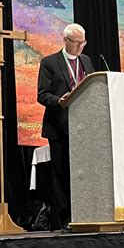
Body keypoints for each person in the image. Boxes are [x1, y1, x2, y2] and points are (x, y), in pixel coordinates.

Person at [37, 23, 95, 231]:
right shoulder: (49, 62)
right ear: (65, 40)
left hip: (84, 128)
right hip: (59, 127)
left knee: (82, 173)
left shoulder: (87, 61)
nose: (80, 47)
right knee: (61, 174)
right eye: (76, 43)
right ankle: (61, 219)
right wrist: (59, 100)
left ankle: (83, 214)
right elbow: (42, 94)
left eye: (83, 43)